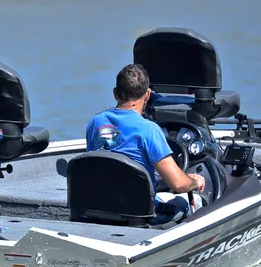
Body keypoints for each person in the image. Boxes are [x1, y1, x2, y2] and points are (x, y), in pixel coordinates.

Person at [86, 63, 206, 224]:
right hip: (138, 215)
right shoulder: (149, 130)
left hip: (100, 208)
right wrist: (194, 181)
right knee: (194, 200)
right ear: (148, 94)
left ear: (115, 93)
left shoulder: (96, 123)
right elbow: (178, 183)